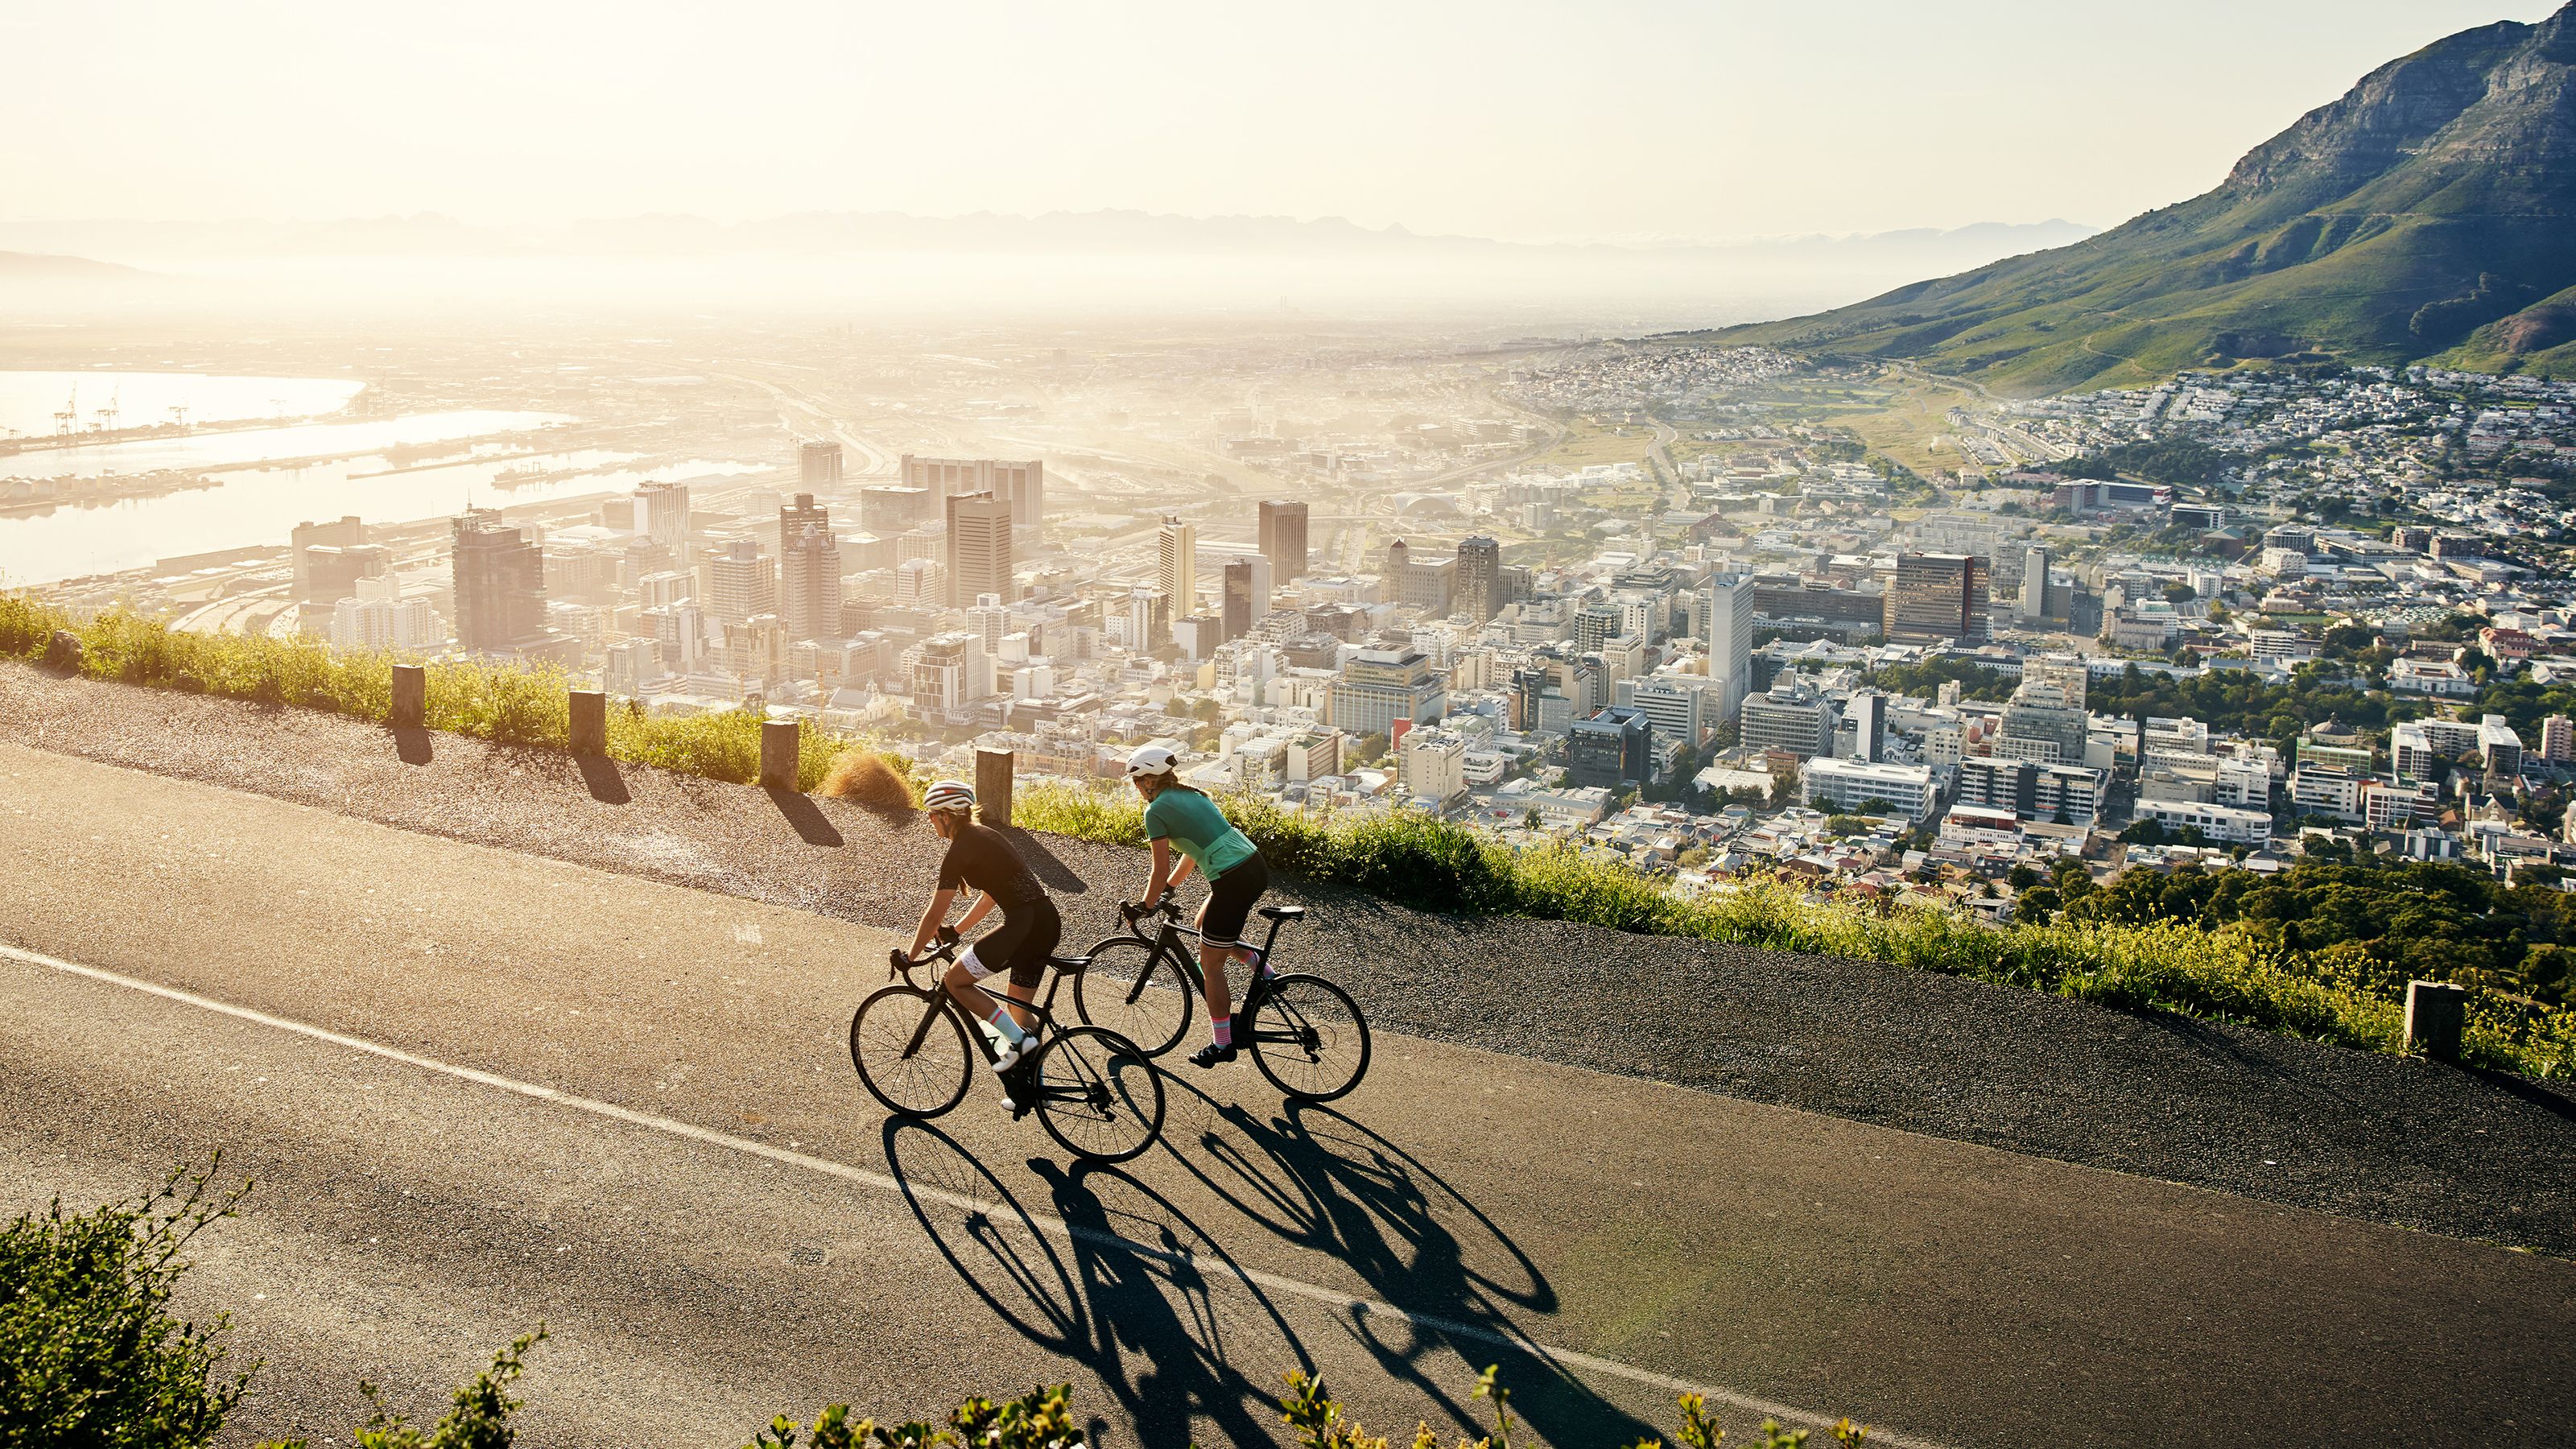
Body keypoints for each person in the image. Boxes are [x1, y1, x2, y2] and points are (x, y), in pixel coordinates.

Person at [1124, 744, 1272, 1067]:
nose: (1137, 788)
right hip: (1251, 865)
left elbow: (1159, 868)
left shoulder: (1156, 811)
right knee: (1205, 925)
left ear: (1149, 780)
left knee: (1211, 964)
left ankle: (1222, 1044)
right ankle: (1262, 969)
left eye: (1137, 782)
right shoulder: (1193, 795)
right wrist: (1170, 890)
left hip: (1232, 878)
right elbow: (1192, 851)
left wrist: (1146, 906)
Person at [905, 779, 1059, 1074]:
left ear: (946, 816)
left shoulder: (960, 850)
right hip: (1046, 922)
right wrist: (958, 930)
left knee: (955, 981)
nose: (930, 820)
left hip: (1023, 927)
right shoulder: (987, 835)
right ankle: (1034, 1086)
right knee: (1019, 1010)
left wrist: (910, 958)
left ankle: (1017, 1041)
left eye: (932, 814)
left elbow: (934, 915)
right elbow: (990, 897)